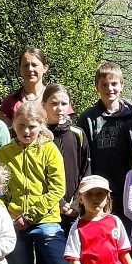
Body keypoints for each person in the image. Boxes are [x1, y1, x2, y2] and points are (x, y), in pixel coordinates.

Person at [0, 101, 69, 264]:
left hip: (46, 221)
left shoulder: (49, 150)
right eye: (21, 126)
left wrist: (30, 215)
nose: (26, 131)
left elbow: (57, 188)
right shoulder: (4, 153)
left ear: (41, 125)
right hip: (15, 225)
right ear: (13, 125)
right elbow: (0, 193)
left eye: (32, 126)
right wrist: (11, 215)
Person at [78, 62, 132, 203]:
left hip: (127, 186)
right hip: (98, 186)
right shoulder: (88, 118)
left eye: (114, 84)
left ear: (121, 86)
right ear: (96, 86)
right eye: (103, 84)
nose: (109, 88)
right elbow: (82, 156)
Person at [43, 84, 90, 228]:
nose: (59, 108)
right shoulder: (41, 136)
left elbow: (86, 169)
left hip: (75, 208)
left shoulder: (78, 134)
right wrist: (58, 202)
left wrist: (77, 202)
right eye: (54, 103)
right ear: (44, 105)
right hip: (49, 210)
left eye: (64, 103)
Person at [0, 47, 51, 124]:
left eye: (34, 65)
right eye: (25, 65)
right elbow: (3, 133)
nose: (30, 69)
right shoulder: (11, 101)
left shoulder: (56, 98)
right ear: (20, 69)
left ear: (45, 68)